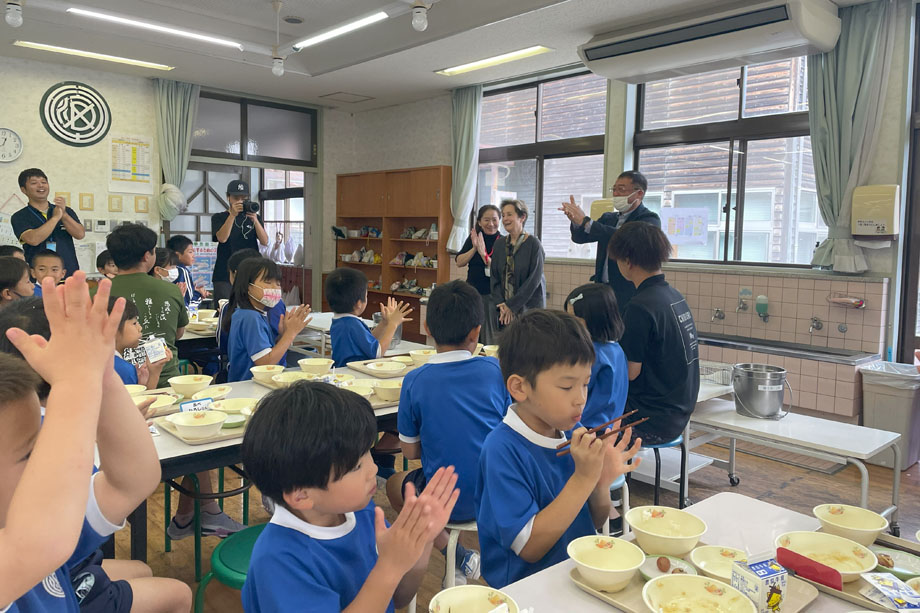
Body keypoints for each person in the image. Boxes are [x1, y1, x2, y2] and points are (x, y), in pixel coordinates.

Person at [0, 272, 190, 613]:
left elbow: (132, 482)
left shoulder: (36, 523)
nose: (49, 453)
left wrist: (101, 370)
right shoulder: (33, 542)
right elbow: (40, 545)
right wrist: (75, 383)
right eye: (30, 451)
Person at [240, 382, 459, 612]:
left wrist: (422, 541)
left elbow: (398, 598)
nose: (373, 469)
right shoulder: (279, 562)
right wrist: (389, 567)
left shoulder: (360, 511)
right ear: (302, 495)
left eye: (367, 453)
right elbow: (387, 576)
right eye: (356, 466)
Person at [475, 309, 642, 588]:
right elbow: (529, 547)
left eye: (586, 384)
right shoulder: (502, 449)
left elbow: (594, 519)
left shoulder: (573, 434)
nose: (581, 399)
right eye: (567, 387)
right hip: (524, 590)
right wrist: (584, 479)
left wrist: (600, 483)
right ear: (519, 387)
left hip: (575, 576)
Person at [385, 280, 508, 587]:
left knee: (396, 486)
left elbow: (410, 452)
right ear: (476, 332)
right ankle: (458, 560)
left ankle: (456, 556)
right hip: (497, 494)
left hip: (446, 500)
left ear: (427, 328)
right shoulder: (495, 370)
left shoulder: (415, 380)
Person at [608, 222, 700, 444]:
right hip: (679, 414)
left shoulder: (640, 306)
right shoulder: (674, 296)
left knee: (584, 414)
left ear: (628, 261)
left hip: (650, 420)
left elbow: (630, 372)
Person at [562, 170, 661, 311]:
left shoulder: (649, 219)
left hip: (629, 290)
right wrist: (576, 221)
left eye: (621, 190)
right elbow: (580, 238)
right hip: (602, 289)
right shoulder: (608, 218)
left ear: (639, 193)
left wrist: (586, 221)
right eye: (614, 189)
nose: (616, 194)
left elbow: (625, 237)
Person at [105, 224, 187, 386]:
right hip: (166, 380)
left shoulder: (97, 294)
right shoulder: (171, 290)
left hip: (112, 382)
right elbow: (178, 334)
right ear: (146, 256)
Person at [224, 257, 311, 382]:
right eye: (268, 282)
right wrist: (290, 334)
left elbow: (268, 352)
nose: (275, 288)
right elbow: (265, 363)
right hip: (250, 386)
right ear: (248, 286)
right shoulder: (250, 317)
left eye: (278, 283)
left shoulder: (254, 314)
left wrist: (283, 335)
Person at [564, 283, 629, 428]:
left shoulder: (590, 355)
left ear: (595, 319)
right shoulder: (616, 349)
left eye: (575, 320)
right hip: (610, 427)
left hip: (586, 429)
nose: (569, 326)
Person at [325, 268, 412, 368]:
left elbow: (369, 341)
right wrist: (393, 324)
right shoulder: (353, 325)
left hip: (344, 370)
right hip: (354, 373)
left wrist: (384, 323)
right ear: (359, 304)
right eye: (366, 296)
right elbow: (378, 352)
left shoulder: (340, 321)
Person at [11, 168, 85, 277]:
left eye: (44, 182)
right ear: (23, 190)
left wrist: (64, 215)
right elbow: (33, 240)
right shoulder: (19, 216)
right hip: (38, 277)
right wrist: (55, 218)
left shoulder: (65, 211)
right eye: (34, 183)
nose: (41, 185)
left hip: (68, 273)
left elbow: (80, 234)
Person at [490, 199, 545, 328]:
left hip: (529, 310)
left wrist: (511, 305)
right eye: (503, 215)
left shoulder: (533, 244)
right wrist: (503, 306)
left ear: (522, 217)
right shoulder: (499, 244)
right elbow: (494, 277)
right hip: (504, 311)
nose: (505, 219)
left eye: (509, 214)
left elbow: (533, 281)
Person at [211, 180, 268, 303]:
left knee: (250, 306)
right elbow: (222, 238)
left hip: (250, 272)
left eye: (244, 198)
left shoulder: (254, 217)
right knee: (225, 307)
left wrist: (255, 220)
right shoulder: (219, 217)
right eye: (236, 198)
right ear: (228, 197)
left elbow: (265, 241)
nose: (240, 201)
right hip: (225, 273)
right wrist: (232, 215)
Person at [456, 205, 502, 344]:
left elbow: (501, 269)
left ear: (499, 220)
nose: (491, 224)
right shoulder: (473, 238)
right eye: (486, 220)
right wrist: (475, 248)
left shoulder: (502, 241)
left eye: (494, 219)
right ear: (480, 222)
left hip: (491, 295)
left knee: (488, 337)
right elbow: (459, 262)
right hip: (471, 293)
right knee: (468, 333)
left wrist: (483, 254)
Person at [109, 297, 172, 391]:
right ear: (113, 329)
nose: (140, 328)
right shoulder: (124, 370)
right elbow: (140, 401)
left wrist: (153, 374)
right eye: (134, 323)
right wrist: (154, 374)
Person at [166, 235, 210, 305]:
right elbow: (189, 302)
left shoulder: (167, 270)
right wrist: (199, 294)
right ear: (177, 255)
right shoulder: (182, 271)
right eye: (190, 252)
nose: (193, 255)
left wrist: (195, 290)